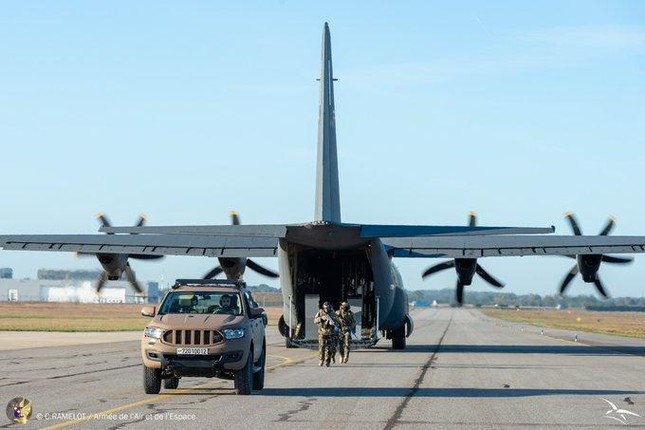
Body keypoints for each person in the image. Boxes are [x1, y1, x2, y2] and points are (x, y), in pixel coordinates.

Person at [313, 301, 337, 367]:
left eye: (327, 308)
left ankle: (328, 361)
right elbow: (315, 320)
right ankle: (321, 360)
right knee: (322, 347)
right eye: (325, 308)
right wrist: (321, 318)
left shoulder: (332, 313)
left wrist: (333, 321)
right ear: (323, 307)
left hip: (330, 333)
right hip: (322, 333)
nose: (326, 309)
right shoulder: (320, 312)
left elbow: (337, 320)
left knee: (329, 349)